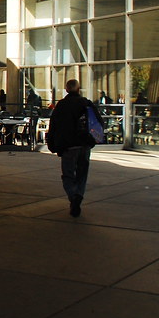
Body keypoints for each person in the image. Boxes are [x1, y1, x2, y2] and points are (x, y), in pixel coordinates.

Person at [45, 79, 104, 218]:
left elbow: (54, 125)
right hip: (84, 144)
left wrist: (52, 143)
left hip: (68, 145)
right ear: (79, 89)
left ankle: (73, 196)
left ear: (66, 89)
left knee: (68, 174)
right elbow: (98, 122)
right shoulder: (86, 103)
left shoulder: (61, 105)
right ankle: (78, 195)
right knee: (82, 173)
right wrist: (92, 139)